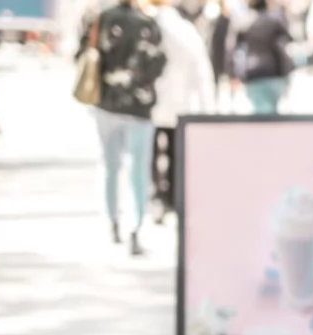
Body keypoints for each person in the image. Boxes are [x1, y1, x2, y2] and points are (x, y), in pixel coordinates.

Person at [77, 0, 167, 255]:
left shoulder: (101, 19)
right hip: (139, 107)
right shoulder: (148, 24)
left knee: (110, 165)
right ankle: (135, 227)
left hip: (107, 102)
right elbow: (158, 63)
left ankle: (113, 221)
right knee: (138, 169)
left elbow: (84, 53)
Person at [149, 0, 216, 222]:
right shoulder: (183, 29)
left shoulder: (149, 23)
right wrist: (208, 109)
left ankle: (157, 196)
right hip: (178, 104)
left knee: (151, 154)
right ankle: (172, 198)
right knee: (175, 154)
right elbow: (202, 70)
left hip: (150, 103)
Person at [233, 0, 293, 114]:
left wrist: (233, 73)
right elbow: (288, 40)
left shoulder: (245, 24)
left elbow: (234, 49)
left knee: (262, 113)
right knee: (271, 113)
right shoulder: (274, 22)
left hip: (254, 73)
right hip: (273, 72)